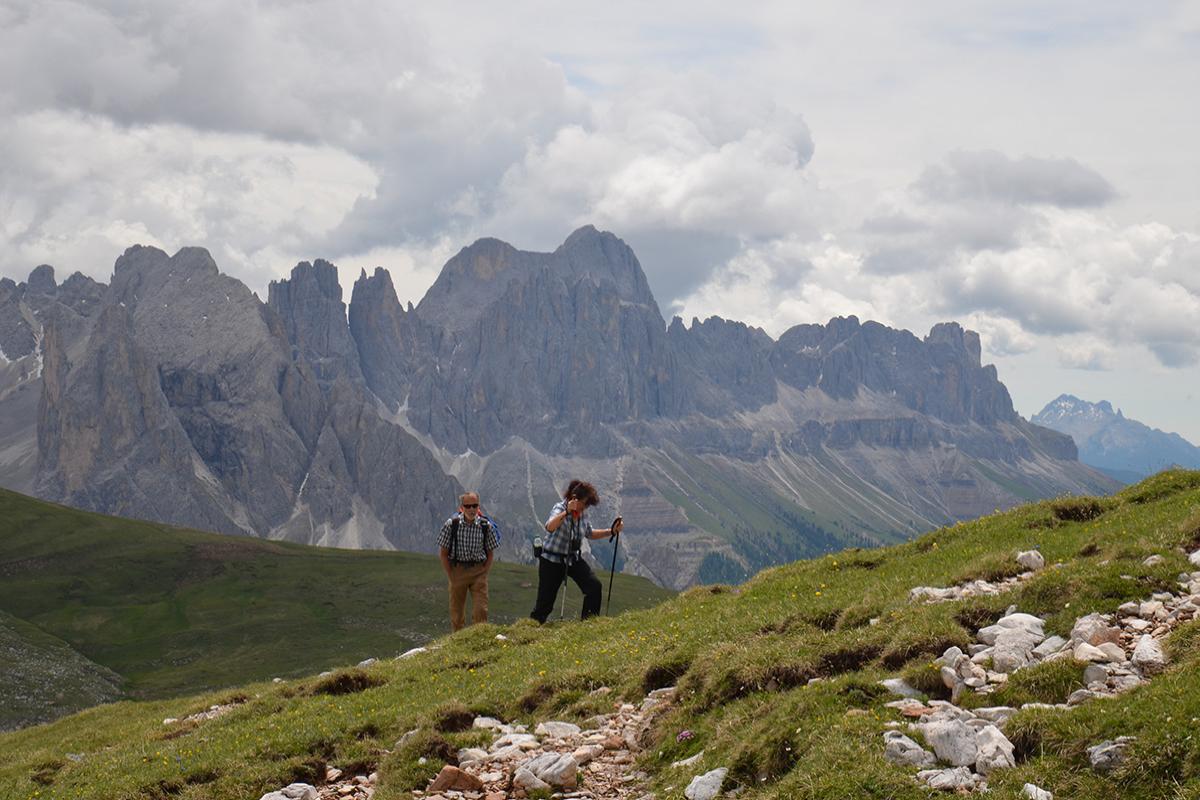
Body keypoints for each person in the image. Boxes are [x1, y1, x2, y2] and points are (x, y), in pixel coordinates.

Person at [530, 479, 624, 623]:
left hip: (573, 558)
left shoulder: (582, 514)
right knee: (545, 603)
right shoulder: (560, 508)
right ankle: (533, 626)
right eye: (585, 503)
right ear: (574, 498)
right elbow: (549, 526)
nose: (585, 507)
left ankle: (589, 623)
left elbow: (589, 533)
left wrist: (611, 531)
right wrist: (567, 512)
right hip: (551, 560)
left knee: (594, 586)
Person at [436, 492, 499, 632]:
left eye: (474, 506)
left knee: (481, 609)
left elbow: (490, 552)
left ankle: (479, 638)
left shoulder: (485, 526)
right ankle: (458, 641)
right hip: (458, 570)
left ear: (478, 507)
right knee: (457, 612)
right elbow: (443, 553)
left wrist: (484, 573)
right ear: (462, 507)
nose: (471, 509)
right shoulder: (451, 525)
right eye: (468, 506)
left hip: (478, 571)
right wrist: (451, 574)